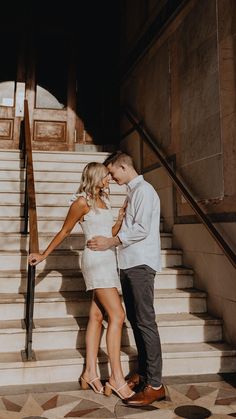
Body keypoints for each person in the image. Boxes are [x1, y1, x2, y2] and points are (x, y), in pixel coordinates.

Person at [28, 162, 135, 400]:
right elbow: (65, 231)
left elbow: (111, 233)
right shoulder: (81, 202)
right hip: (95, 262)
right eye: (106, 176)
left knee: (97, 317)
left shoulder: (105, 201)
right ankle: (116, 378)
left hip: (109, 259)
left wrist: (119, 218)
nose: (109, 179)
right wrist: (44, 254)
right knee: (117, 316)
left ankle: (89, 372)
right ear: (95, 177)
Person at [87, 151, 165, 407]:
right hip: (129, 264)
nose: (110, 177)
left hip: (141, 264)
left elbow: (141, 229)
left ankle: (155, 384)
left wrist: (111, 241)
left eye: (112, 172)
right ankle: (143, 374)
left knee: (145, 322)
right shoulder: (133, 193)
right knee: (136, 320)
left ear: (123, 166)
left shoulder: (144, 191)